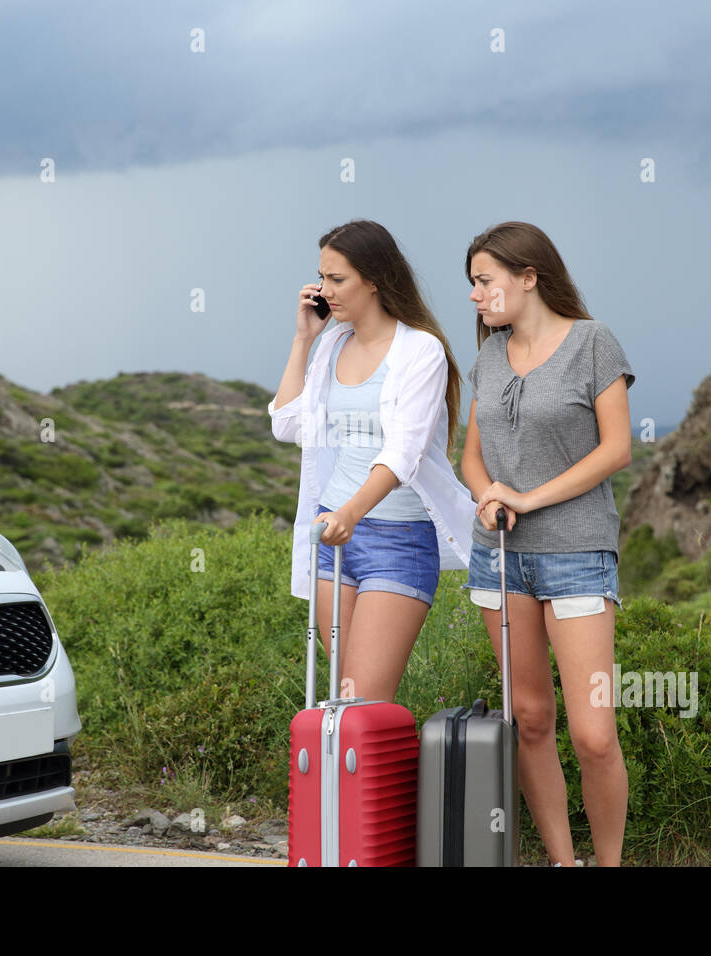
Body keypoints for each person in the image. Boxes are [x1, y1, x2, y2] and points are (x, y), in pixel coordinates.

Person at [459, 221, 636, 867]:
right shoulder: (487, 357)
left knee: (593, 734)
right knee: (530, 720)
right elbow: (471, 459)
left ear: (529, 276)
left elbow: (616, 449)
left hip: (577, 556)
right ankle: (564, 862)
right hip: (500, 557)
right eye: (472, 284)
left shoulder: (592, 342)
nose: (475, 295)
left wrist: (529, 498)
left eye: (485, 281)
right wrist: (487, 494)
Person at [268, 220, 475, 703]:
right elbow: (287, 425)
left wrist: (350, 514)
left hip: (396, 540)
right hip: (332, 535)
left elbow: (403, 452)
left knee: (362, 700)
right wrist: (303, 339)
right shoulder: (331, 344)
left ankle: (389, 779)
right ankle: (347, 783)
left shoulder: (420, 350)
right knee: (340, 698)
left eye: (337, 279)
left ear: (375, 279)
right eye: (321, 278)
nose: (324, 291)